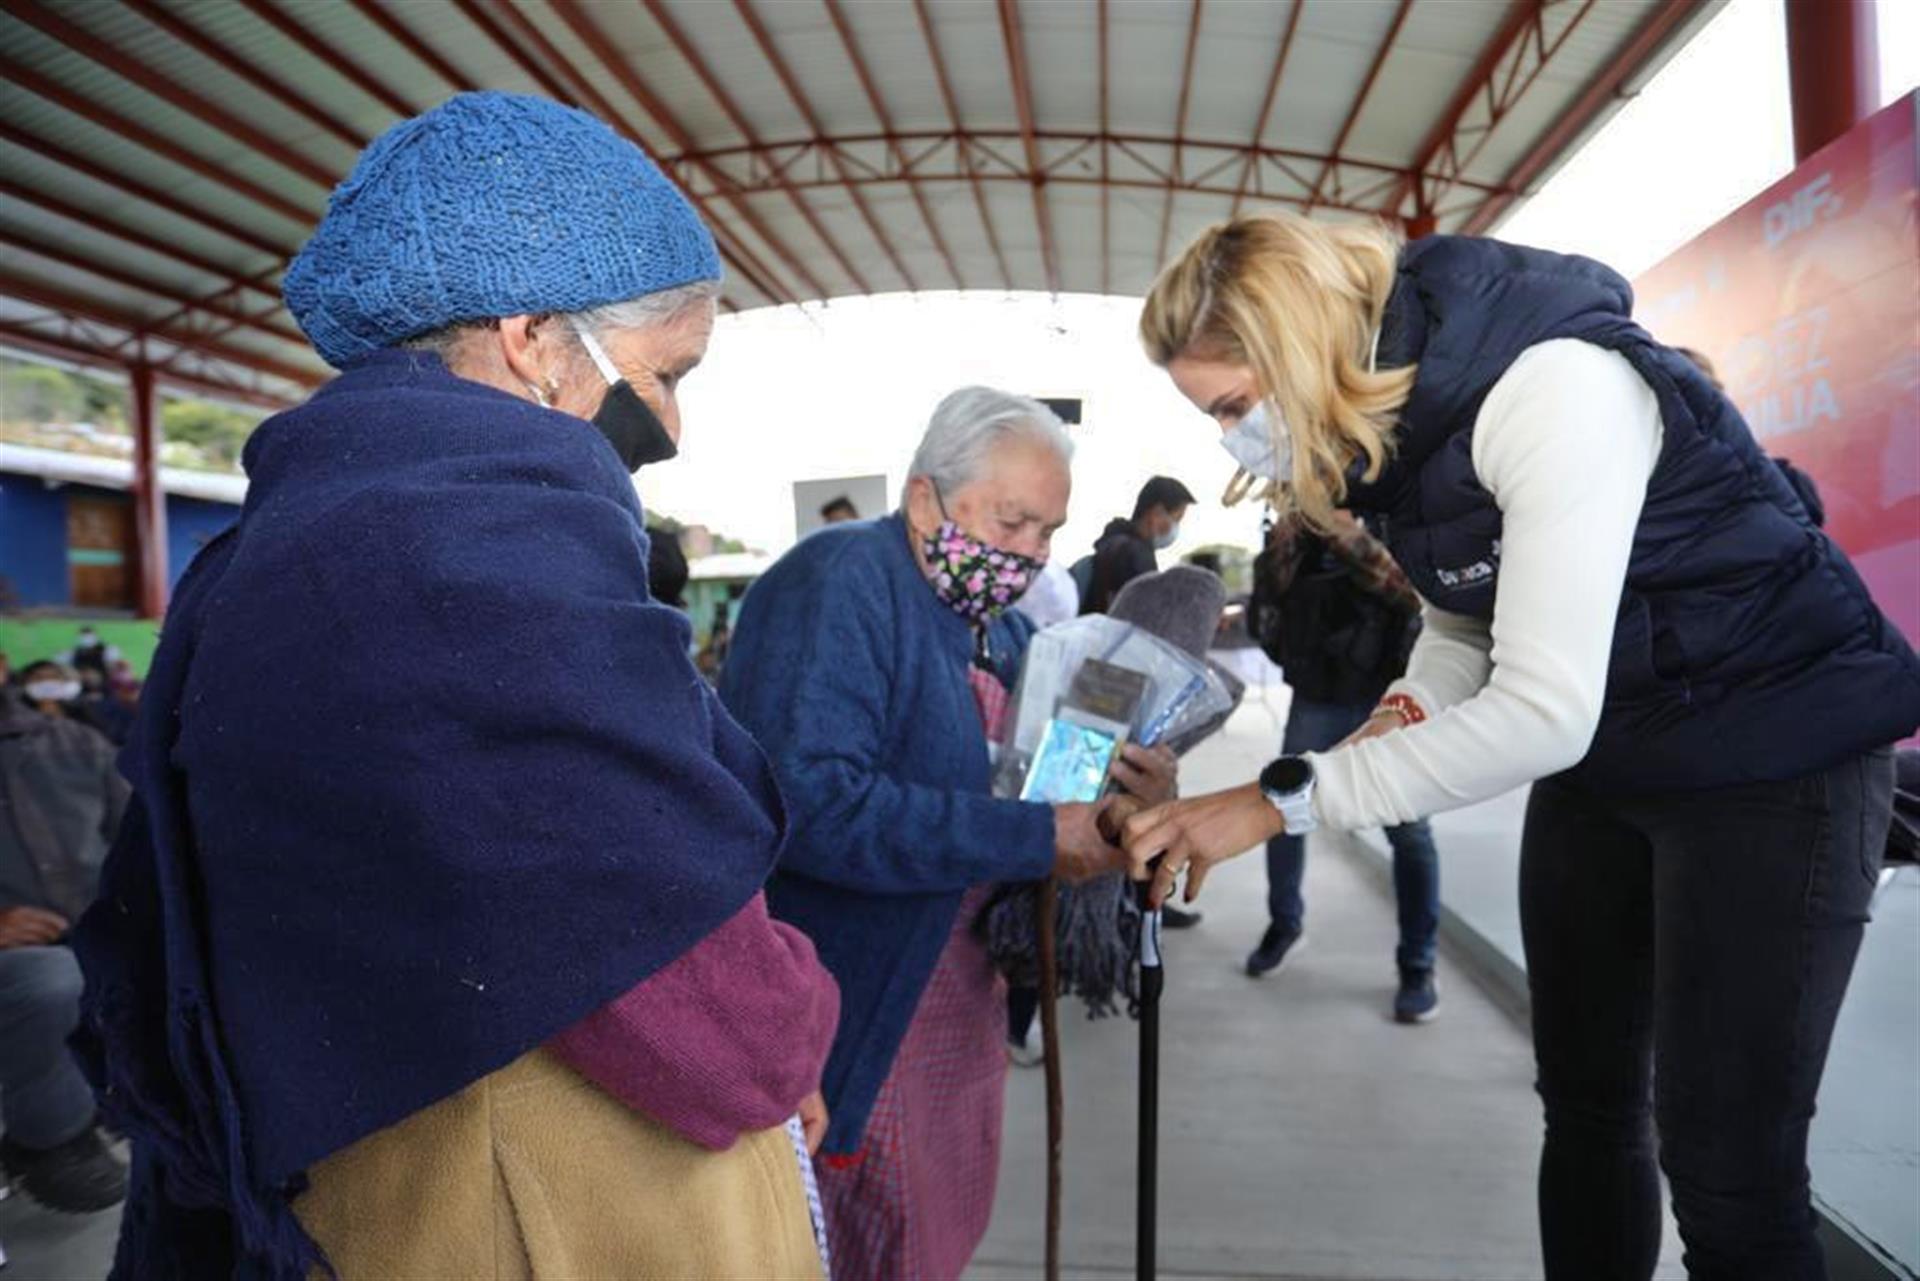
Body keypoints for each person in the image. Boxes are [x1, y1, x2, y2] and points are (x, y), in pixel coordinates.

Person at [69, 92, 837, 1280]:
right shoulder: (477, 554)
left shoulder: (299, 531)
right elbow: (707, 1017)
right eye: (669, 371)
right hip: (529, 1209)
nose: (672, 426)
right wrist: (800, 1028)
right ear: (532, 336)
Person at [1124, 212, 1920, 1281]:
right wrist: (1392, 722)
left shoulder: (1555, 386)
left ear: (1301, 351)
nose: (1229, 441)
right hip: (1615, 760)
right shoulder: (1404, 436)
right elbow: (1465, 629)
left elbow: (1544, 708)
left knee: (1729, 1169)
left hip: (1770, 757)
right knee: (1588, 1109)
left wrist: (1274, 802)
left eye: (1231, 407)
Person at [721, 387, 1170, 1278]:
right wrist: (1039, 837)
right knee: (868, 1240)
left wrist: (1122, 793)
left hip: (960, 994)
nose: (1031, 556)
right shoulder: (840, 581)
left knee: (934, 1233)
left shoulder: (995, 629)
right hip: (860, 1005)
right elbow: (811, 805)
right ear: (926, 497)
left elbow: (1029, 787)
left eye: (1047, 533)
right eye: (1012, 524)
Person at [1245, 510, 1440, 1022]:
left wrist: (1348, 537)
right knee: (1282, 814)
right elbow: (1270, 598)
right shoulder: (1300, 520)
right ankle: (1284, 923)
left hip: (1385, 699)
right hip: (1317, 694)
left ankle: (1418, 964)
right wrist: (1288, 539)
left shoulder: (1391, 509)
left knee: (1410, 832)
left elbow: (1412, 594)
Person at [0, 687, 128, 1214]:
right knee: (53, 982)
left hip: (90, 936)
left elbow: (141, 844)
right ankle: (49, 1139)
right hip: (23, 963)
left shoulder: (77, 744)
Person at [1079, 474, 1196, 616]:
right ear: (1156, 513)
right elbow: (1149, 614)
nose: (1175, 528)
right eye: (1176, 519)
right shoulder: (1137, 557)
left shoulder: (1113, 543)